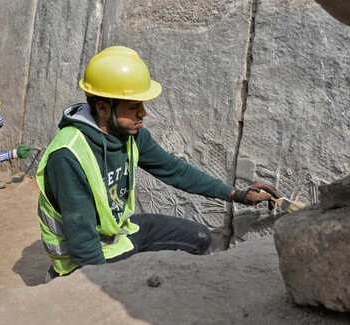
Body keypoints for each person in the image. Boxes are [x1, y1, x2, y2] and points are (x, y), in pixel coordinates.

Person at [37, 46, 280, 281]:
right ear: (102, 108)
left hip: (118, 234)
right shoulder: (68, 156)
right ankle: (61, 279)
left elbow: (175, 170)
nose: (143, 113)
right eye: (134, 107)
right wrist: (107, 292)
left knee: (199, 238)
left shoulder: (130, 135)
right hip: (84, 256)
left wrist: (238, 195)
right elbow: (83, 246)